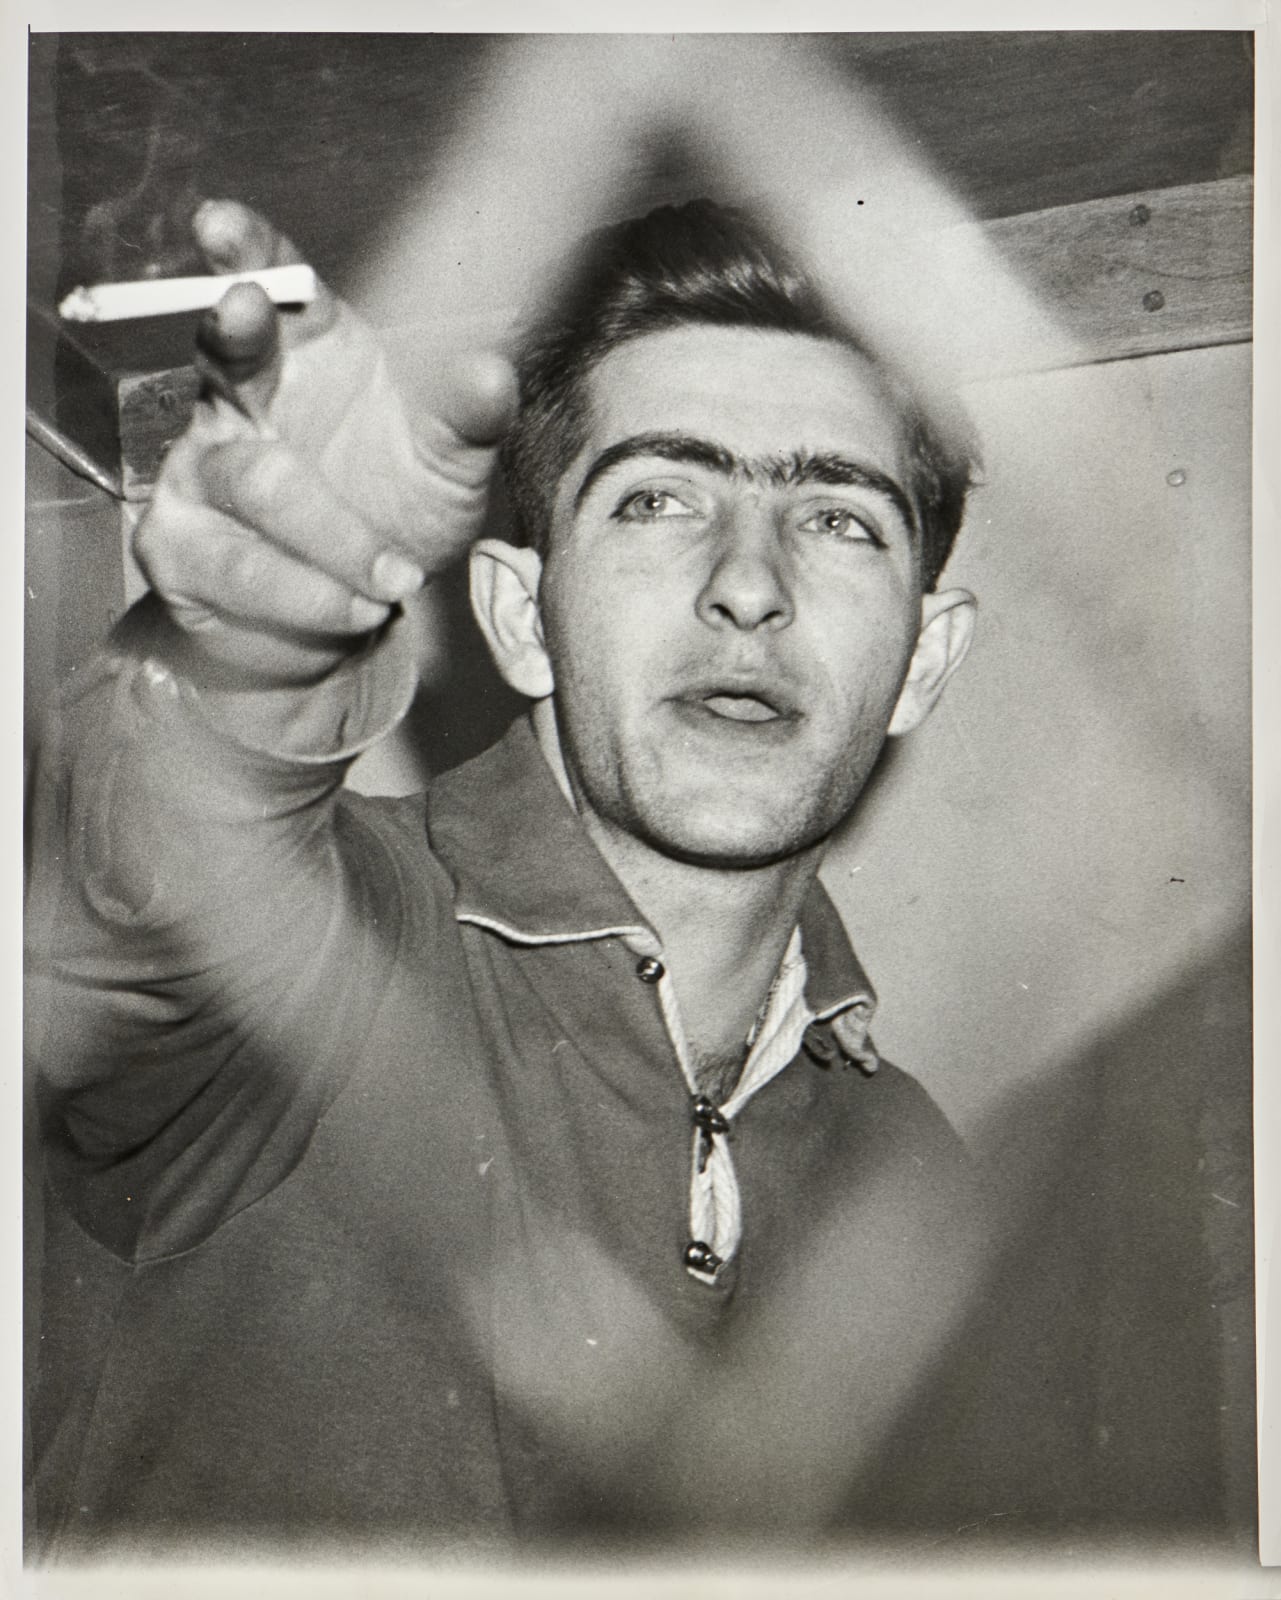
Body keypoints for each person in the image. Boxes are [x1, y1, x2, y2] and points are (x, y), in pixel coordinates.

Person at [25, 195, 983, 1559]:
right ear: (521, 620)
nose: (748, 586)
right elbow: (146, 890)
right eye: (659, 498)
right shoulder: (328, 951)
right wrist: (245, 673)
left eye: (836, 518)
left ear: (924, 660)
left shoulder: (917, 1176)